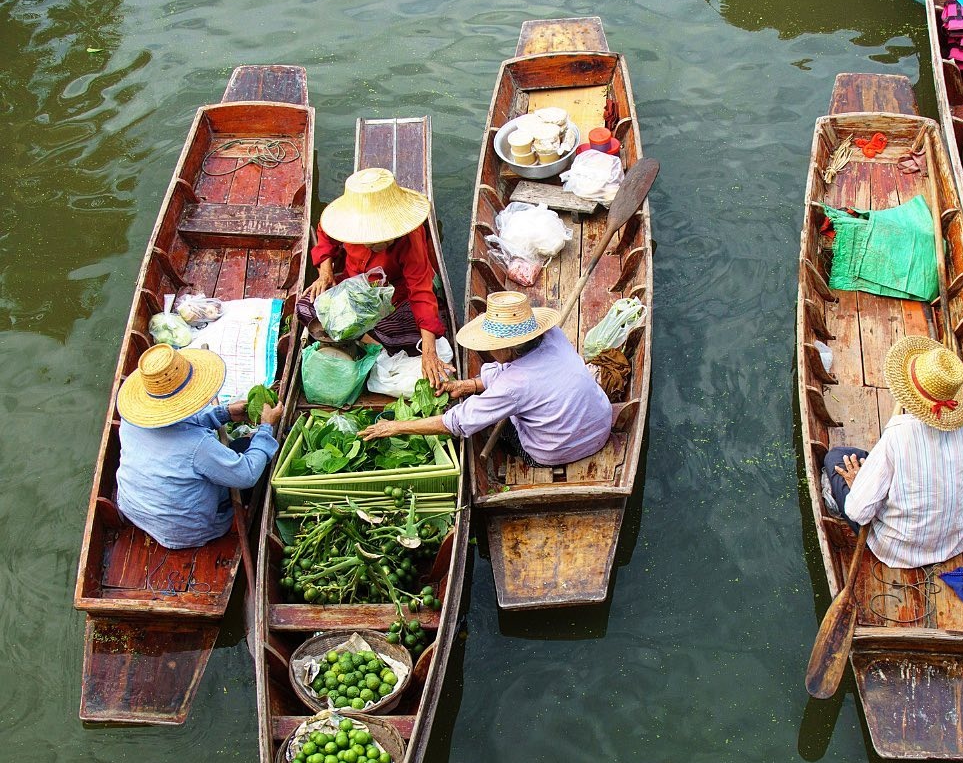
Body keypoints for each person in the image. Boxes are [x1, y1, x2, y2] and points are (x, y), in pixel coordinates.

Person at [824, 335, 963, 569]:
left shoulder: (897, 435)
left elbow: (857, 511)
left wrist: (857, 482)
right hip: (952, 543)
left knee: (837, 457)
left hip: (894, 549)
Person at [359, 291, 613, 467]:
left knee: (486, 424)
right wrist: (469, 385)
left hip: (554, 451)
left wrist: (393, 427)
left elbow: (457, 422)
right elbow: (519, 372)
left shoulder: (513, 385)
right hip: (602, 426)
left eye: (492, 345)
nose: (489, 350)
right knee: (507, 396)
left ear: (507, 348)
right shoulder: (553, 335)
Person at [115, 343, 284, 549]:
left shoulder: (133, 420)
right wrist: (266, 427)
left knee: (235, 451)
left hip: (134, 509)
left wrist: (224, 413)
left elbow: (177, 423)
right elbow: (246, 475)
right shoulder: (197, 446)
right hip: (188, 531)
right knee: (252, 450)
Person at [303, 167, 454, 388]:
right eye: (372, 240)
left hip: (394, 298)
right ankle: (365, 339)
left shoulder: (410, 238)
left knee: (420, 328)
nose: (379, 246)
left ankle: (360, 339)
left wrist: (429, 352)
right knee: (305, 307)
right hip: (354, 290)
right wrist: (325, 273)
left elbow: (421, 292)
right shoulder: (346, 222)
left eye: (385, 238)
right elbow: (325, 235)